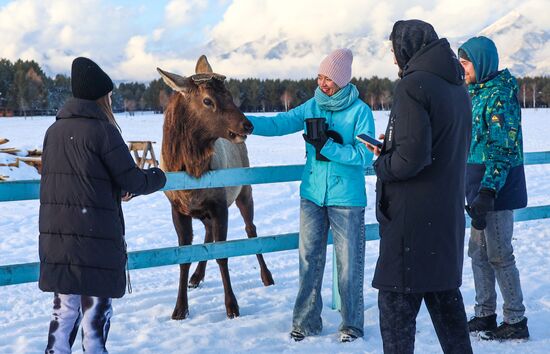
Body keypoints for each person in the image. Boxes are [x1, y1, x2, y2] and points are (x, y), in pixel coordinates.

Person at [39, 57, 166, 353]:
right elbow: (134, 180)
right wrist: (159, 176)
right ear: (101, 96)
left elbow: (76, 179)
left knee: (63, 311)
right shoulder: (103, 131)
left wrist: (111, 190)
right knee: (95, 317)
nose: (110, 100)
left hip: (58, 239)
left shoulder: (53, 131)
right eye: (109, 95)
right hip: (94, 241)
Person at [247, 48, 375, 342]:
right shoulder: (312, 106)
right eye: (319, 77)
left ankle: (352, 325)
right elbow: (280, 122)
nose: (322, 84)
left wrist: (327, 147)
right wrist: (245, 122)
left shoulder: (361, 112)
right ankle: (305, 323)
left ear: (342, 80)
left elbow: (365, 157)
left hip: (347, 200)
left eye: (328, 79)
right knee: (309, 261)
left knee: (349, 266)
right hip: (312, 196)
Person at [362, 20, 473, 353]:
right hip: (444, 219)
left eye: (394, 50)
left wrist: (382, 162)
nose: (394, 58)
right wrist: (394, 146)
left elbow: (411, 160)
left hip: (411, 227)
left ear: (406, 47)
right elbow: (437, 146)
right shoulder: (456, 85)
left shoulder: (413, 85)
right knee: (448, 311)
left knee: (395, 315)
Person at [458, 36, 529, 340]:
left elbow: (502, 147)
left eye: (466, 62)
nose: (462, 68)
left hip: (496, 188)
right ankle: (484, 313)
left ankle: (515, 319)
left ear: (482, 61)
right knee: (477, 252)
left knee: (499, 253)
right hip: (476, 186)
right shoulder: (473, 93)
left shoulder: (500, 95)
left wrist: (488, 190)